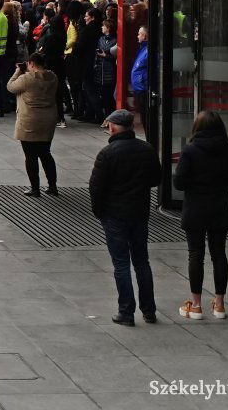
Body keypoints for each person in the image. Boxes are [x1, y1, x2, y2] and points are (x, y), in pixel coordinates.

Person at [89, 108, 162, 325]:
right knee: (142, 261)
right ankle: (149, 310)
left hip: (114, 214)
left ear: (112, 127)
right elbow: (155, 178)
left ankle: (126, 312)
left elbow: (96, 187)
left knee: (121, 263)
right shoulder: (146, 149)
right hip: (139, 212)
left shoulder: (107, 154)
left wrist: (98, 211)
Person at [174, 111, 228, 321]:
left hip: (195, 207)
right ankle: (220, 304)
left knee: (195, 254)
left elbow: (179, 182)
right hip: (219, 206)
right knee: (219, 255)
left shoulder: (190, 150)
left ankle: (195, 305)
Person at [8, 53, 59, 196]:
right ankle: (52, 186)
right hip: (48, 120)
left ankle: (35, 188)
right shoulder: (53, 78)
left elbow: (10, 87)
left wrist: (18, 71)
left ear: (31, 63)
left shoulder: (26, 79)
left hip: (29, 121)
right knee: (45, 153)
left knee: (30, 156)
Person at [93, 18, 118, 123]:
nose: (101, 27)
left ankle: (110, 119)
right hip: (100, 71)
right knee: (102, 96)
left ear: (108, 27)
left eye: (103, 26)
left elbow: (117, 57)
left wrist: (105, 56)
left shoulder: (115, 40)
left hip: (110, 71)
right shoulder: (101, 39)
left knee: (109, 98)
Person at [131, 26, 150, 139]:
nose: (137, 36)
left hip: (144, 88)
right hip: (139, 87)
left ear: (145, 36)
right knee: (143, 117)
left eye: (139, 34)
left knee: (146, 117)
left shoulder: (148, 50)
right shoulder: (143, 48)